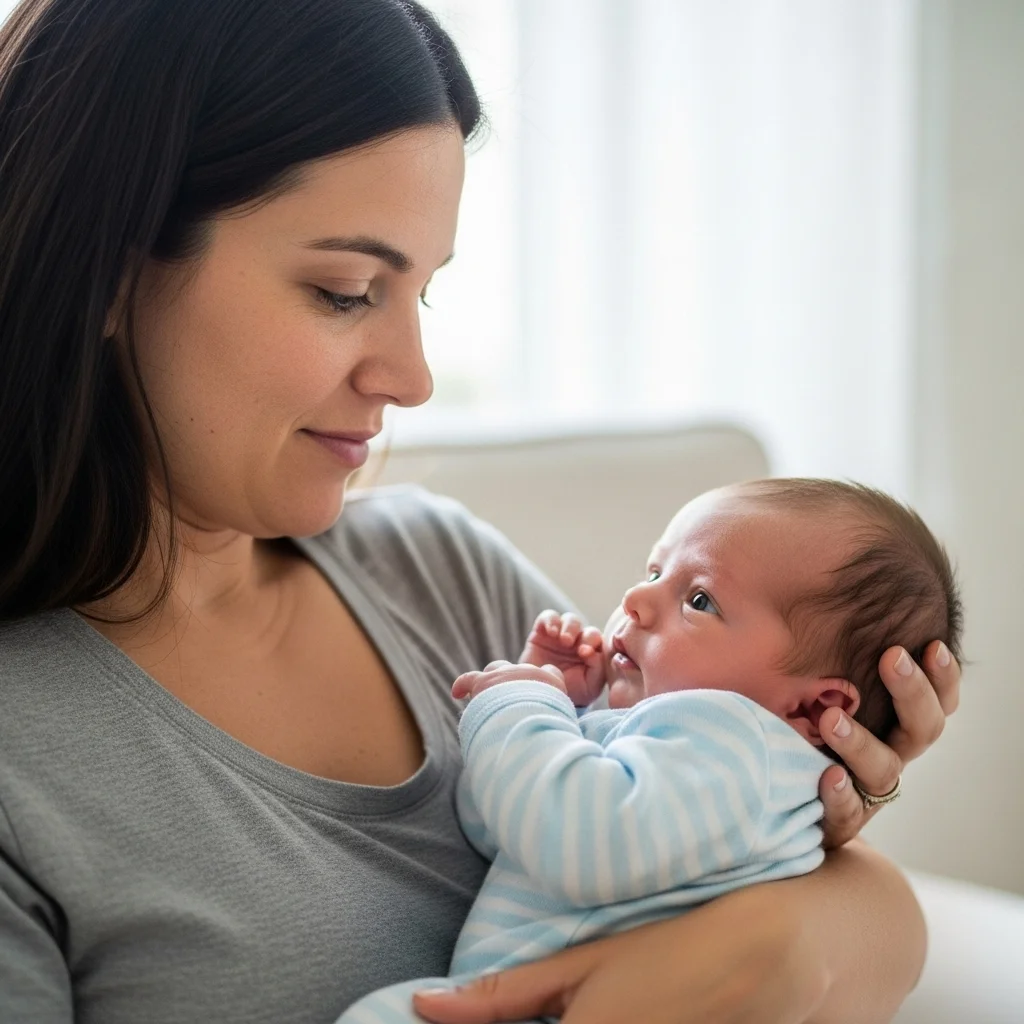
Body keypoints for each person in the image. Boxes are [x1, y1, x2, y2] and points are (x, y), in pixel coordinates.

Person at [0, 1, 962, 1022]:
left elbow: (873, 923)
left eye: (423, 296)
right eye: (345, 289)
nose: (411, 377)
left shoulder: (439, 571)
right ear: (107, 266)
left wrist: (803, 843)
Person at [338, 478, 963, 1023]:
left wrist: (524, 704)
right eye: (654, 572)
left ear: (809, 709)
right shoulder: (687, 742)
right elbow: (496, 827)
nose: (636, 600)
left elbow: (574, 836)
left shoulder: (733, 742)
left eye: (699, 601)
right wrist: (567, 712)